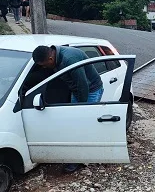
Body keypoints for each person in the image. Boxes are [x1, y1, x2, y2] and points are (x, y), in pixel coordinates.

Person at [32, 45, 104, 173]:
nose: (44, 67)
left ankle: (80, 157)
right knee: (74, 124)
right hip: (76, 89)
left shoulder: (70, 59)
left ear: (50, 58)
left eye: (44, 64)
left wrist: (79, 110)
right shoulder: (54, 58)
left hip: (90, 89)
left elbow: (83, 85)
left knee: (82, 124)